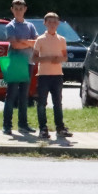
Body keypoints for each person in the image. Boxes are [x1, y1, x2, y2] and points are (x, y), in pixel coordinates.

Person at [32, 12, 73, 140]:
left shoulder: (61, 39)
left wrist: (60, 58)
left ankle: (60, 128)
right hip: (43, 75)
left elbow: (65, 57)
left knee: (58, 103)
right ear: (45, 23)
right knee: (42, 103)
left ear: (58, 24)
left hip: (57, 75)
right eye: (49, 22)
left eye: (54, 22)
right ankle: (43, 128)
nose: (52, 25)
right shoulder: (40, 39)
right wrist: (47, 58)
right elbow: (34, 58)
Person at [3, 0, 37, 135]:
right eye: (16, 9)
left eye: (21, 8)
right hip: (15, 62)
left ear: (25, 9)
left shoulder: (30, 26)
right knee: (11, 94)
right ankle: (7, 125)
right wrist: (27, 42)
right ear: (12, 10)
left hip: (28, 62)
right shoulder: (10, 26)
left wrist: (23, 41)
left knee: (24, 95)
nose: (18, 11)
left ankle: (23, 124)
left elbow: (36, 42)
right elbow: (15, 45)